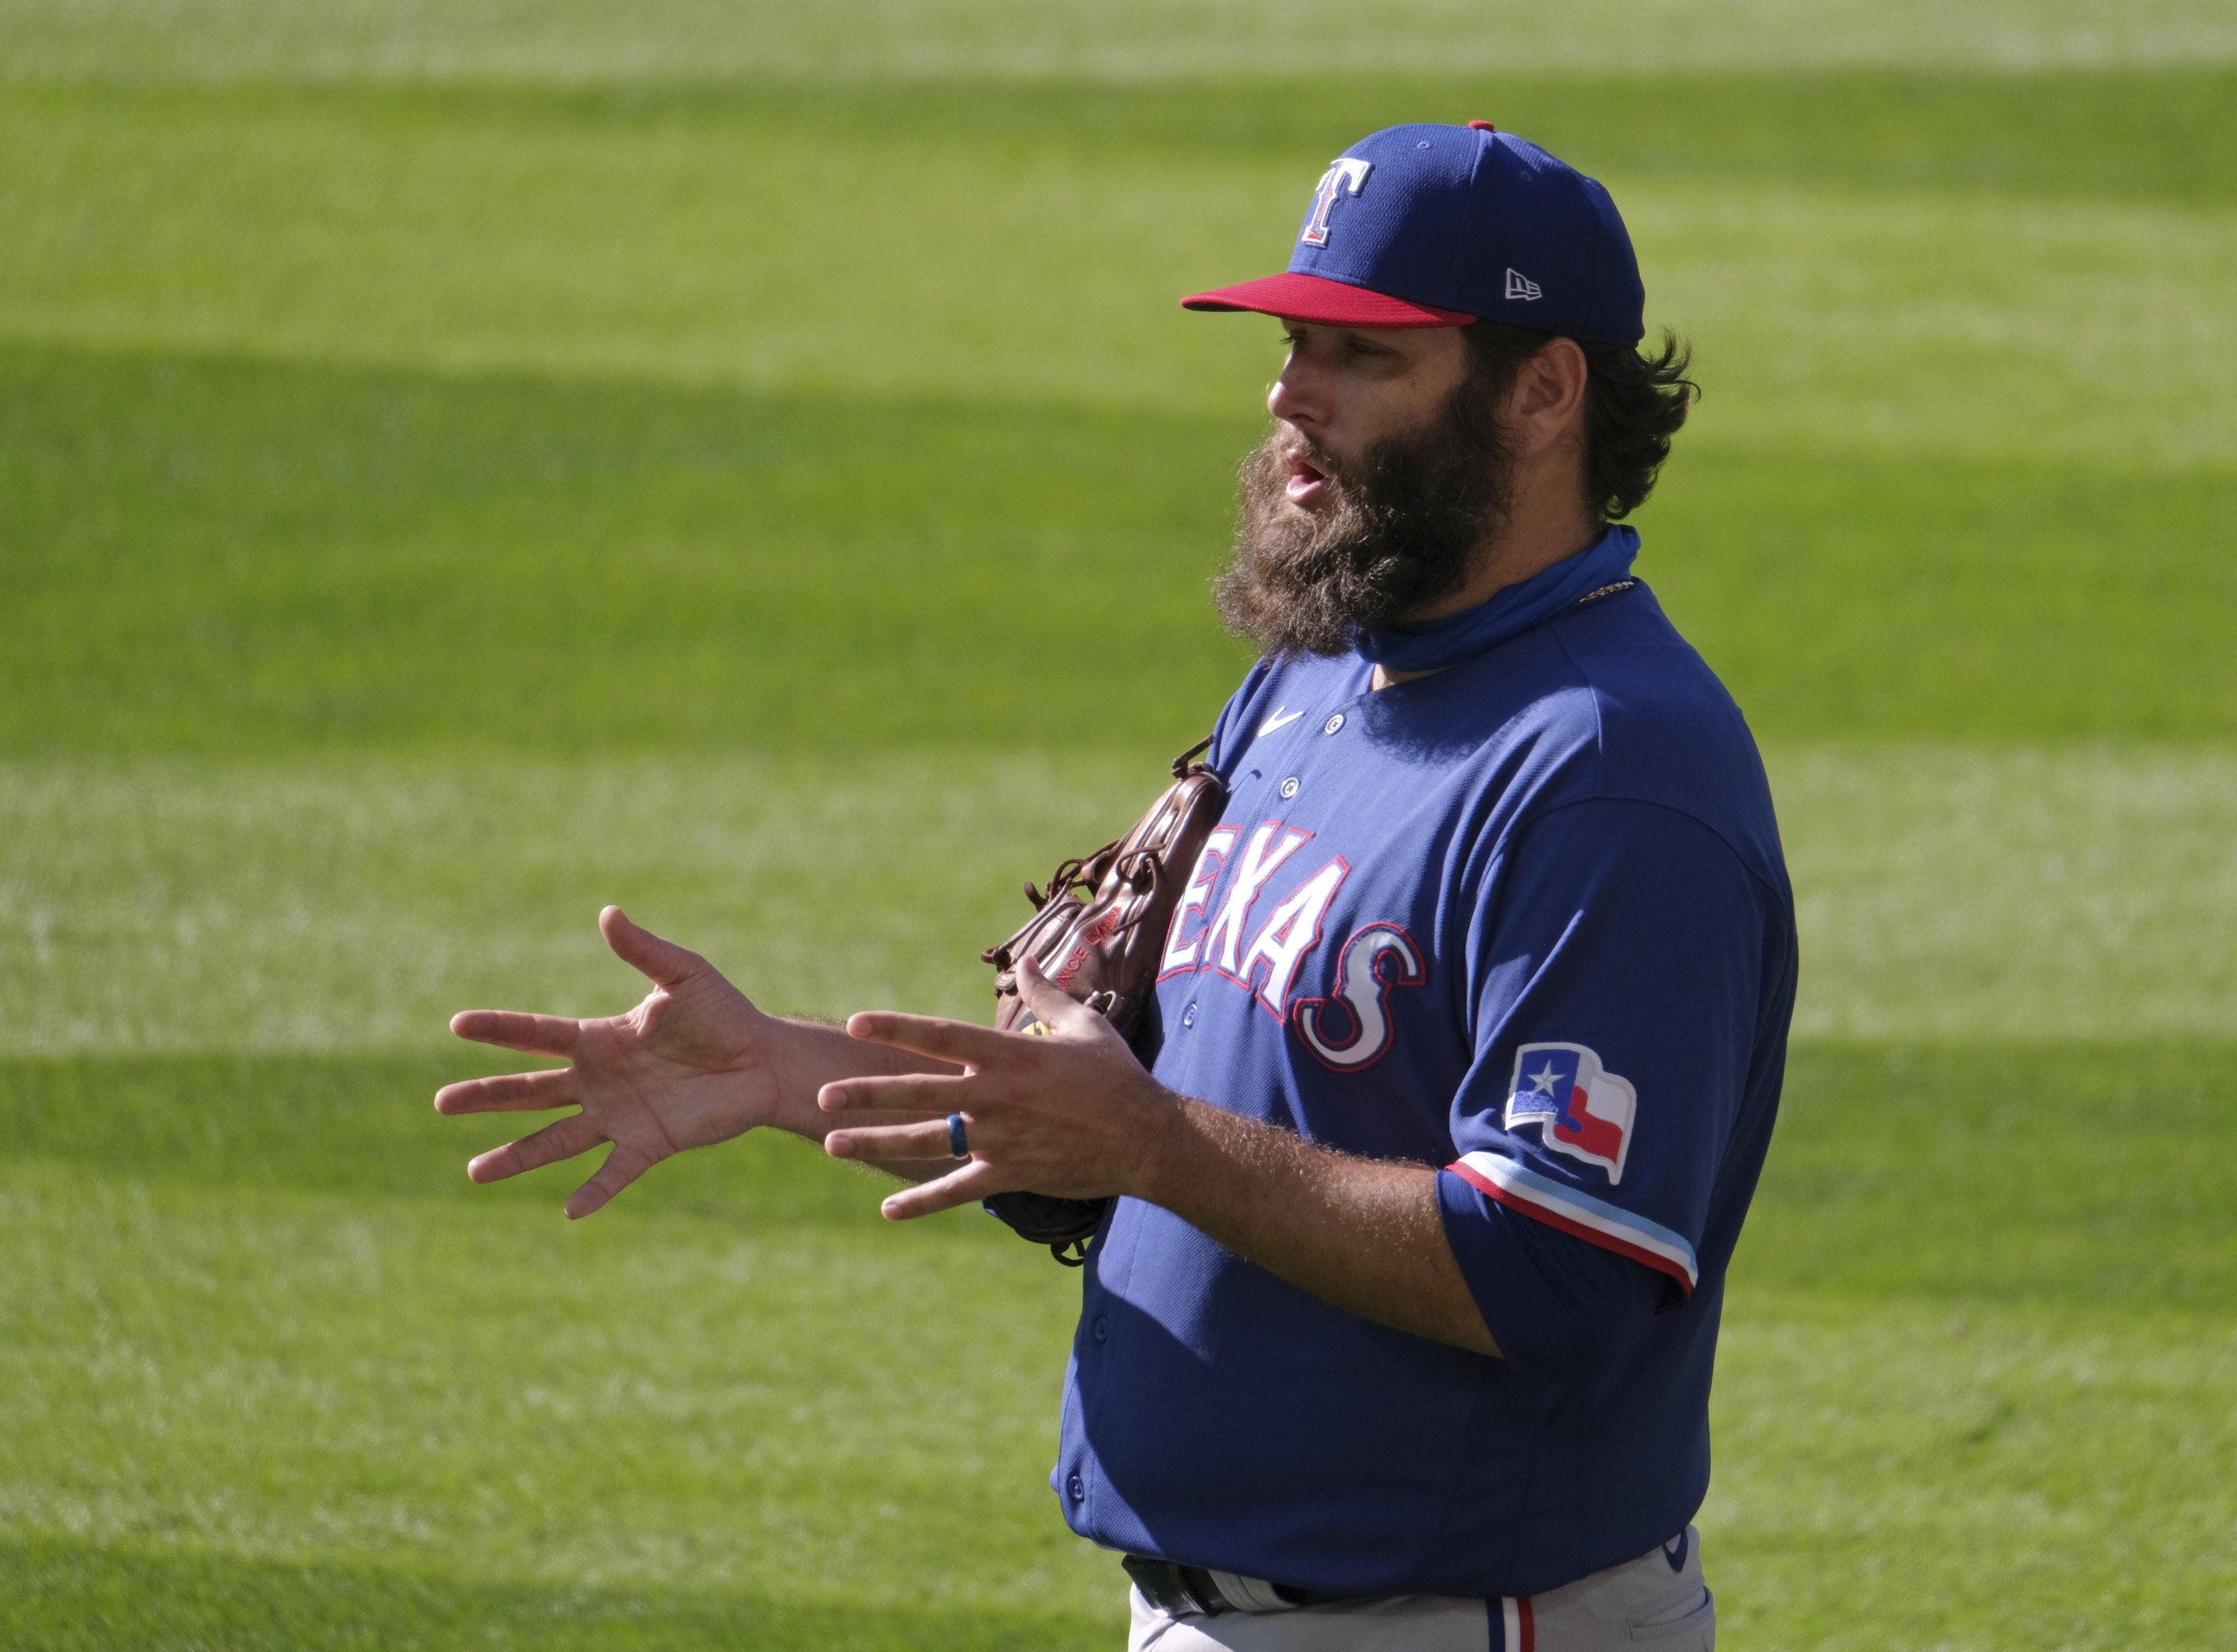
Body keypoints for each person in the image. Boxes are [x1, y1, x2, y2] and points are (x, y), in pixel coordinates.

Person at [438, 120, 1793, 1651]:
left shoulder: (1613, 775)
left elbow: (1558, 1270)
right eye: (1292, 343)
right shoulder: (1316, 679)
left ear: (1543, 391)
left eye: (1364, 355)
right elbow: (1124, 1106)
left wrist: (1150, 1143)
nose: (1291, 398)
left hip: (1465, 1621)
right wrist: (785, 1069)